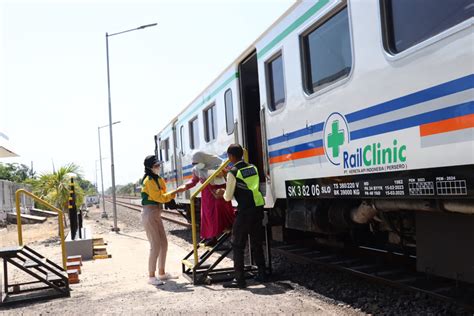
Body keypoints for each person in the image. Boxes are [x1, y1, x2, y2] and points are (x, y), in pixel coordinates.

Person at [215, 144, 266, 289]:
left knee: (237, 245)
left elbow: (228, 197)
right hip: (258, 207)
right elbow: (247, 185)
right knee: (256, 243)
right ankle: (262, 274)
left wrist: (221, 193)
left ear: (231, 157)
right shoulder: (253, 167)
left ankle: (240, 280)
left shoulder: (233, 172)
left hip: (244, 211)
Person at [141, 155, 183, 285]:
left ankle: (162, 273)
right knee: (155, 245)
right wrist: (175, 192)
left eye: (159, 165)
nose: (158, 167)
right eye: (156, 166)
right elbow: (158, 197)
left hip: (156, 212)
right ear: (150, 167)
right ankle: (151, 276)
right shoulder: (148, 180)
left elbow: (163, 194)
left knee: (163, 243)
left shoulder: (158, 179)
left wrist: (171, 198)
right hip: (149, 212)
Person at [178, 151, 235, 246]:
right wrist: (182, 188)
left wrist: (222, 173)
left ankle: (231, 230)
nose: (196, 165)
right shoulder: (197, 169)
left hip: (219, 190)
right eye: (194, 164)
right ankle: (212, 238)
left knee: (223, 210)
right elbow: (193, 181)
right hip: (207, 194)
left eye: (197, 163)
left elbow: (228, 173)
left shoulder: (218, 161)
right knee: (208, 216)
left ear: (203, 159)